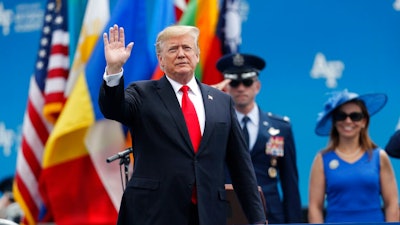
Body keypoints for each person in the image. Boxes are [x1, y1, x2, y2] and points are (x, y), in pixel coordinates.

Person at [98, 24, 267, 225]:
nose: (181, 54)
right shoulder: (142, 94)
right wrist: (114, 70)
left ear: (197, 55)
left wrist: (258, 220)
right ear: (160, 60)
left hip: (208, 214)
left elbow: (241, 167)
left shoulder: (222, 101)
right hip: (154, 213)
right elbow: (112, 109)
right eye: (172, 49)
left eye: (187, 48)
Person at [215, 53, 302, 224]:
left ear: (257, 86)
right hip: (229, 213)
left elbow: (290, 183)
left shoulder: (281, 128)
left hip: (270, 214)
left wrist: (294, 222)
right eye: (234, 82)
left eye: (247, 82)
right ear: (226, 87)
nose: (241, 88)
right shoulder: (216, 125)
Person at [308, 89, 399, 223]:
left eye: (355, 116)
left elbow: (392, 204)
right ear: (334, 121)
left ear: (364, 121)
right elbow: (315, 207)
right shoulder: (322, 159)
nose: (348, 121)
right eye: (341, 116)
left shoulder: (379, 156)